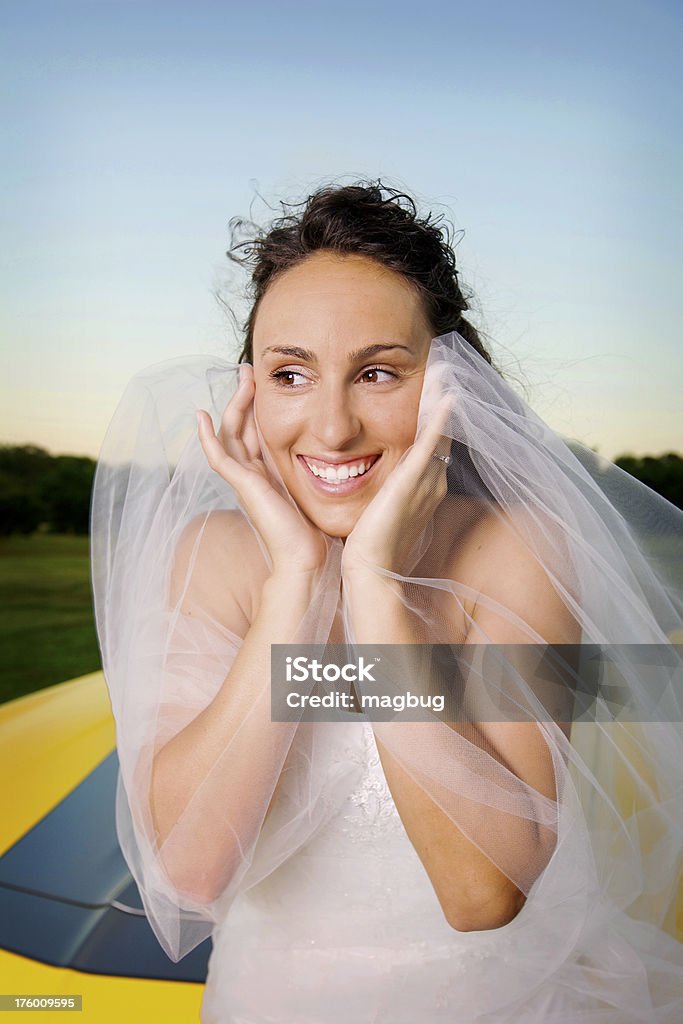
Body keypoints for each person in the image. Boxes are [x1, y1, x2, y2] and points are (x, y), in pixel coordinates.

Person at [91, 182, 683, 1023]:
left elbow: (481, 893)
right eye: (290, 373)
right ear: (250, 392)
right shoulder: (210, 558)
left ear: (448, 387)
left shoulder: (512, 549)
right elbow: (189, 870)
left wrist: (372, 588)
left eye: (375, 373)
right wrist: (294, 586)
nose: (331, 429)